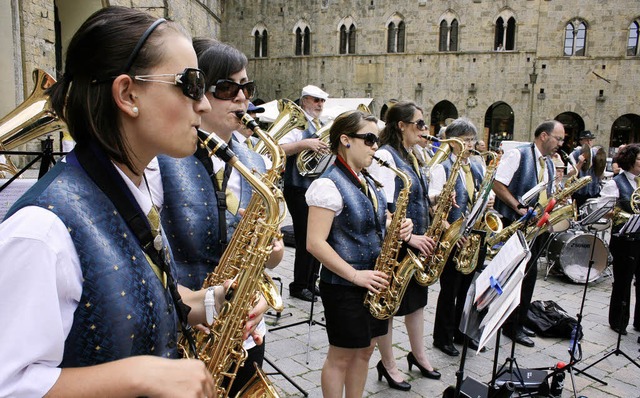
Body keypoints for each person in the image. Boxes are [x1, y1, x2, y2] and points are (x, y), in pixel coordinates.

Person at [0, 7, 230, 396]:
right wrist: (142, 375)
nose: (204, 104)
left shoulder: (132, 192)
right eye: (191, 84)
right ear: (127, 94)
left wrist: (216, 302)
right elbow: (10, 384)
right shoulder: (40, 232)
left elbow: (136, 303)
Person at [151, 38, 283, 397]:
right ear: (198, 95)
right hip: (187, 333)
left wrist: (270, 250)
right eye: (227, 88)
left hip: (245, 325)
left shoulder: (255, 162)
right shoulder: (161, 161)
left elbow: (272, 257)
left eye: (247, 88)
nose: (242, 98)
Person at [306, 110, 410, 398]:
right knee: (340, 355)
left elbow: (376, 220)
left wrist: (397, 226)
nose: (376, 146)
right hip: (344, 285)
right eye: (369, 139)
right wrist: (355, 275)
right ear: (345, 140)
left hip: (373, 282)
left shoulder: (368, 180)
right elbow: (315, 243)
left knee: (365, 350)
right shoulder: (327, 184)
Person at [367, 101, 439, 391]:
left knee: (416, 303)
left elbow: (412, 197)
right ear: (402, 125)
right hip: (395, 245)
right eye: (420, 123)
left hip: (416, 243)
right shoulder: (385, 156)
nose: (425, 129)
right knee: (390, 306)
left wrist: (433, 206)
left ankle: (418, 355)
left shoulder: (412, 155)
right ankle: (388, 363)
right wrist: (409, 238)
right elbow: (381, 209)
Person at [493, 120, 562, 347]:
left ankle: (518, 322)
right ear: (544, 136)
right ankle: (509, 325)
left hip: (537, 226)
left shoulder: (549, 164)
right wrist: (518, 207)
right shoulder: (518, 155)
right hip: (516, 222)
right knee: (515, 276)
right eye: (558, 138)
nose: (560, 144)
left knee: (529, 276)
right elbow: (498, 184)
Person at [429, 118, 487, 356]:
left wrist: (487, 202)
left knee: (469, 289)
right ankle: (442, 337)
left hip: (475, 235)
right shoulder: (440, 168)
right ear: (452, 142)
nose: (469, 144)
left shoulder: (476, 166)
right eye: (464, 140)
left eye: (472, 139)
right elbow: (433, 206)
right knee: (450, 289)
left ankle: (462, 332)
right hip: (453, 236)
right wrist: (451, 231)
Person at [279, 84, 330, 302]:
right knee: (304, 238)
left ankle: (311, 281)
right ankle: (299, 285)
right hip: (297, 186)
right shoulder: (296, 126)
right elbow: (279, 149)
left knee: (318, 236)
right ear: (304, 101)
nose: (319, 104)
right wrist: (305, 144)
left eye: (322, 101)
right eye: (315, 100)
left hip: (314, 186)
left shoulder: (319, 125)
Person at [599, 144, 640, 335]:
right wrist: (622, 214)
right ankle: (618, 321)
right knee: (623, 281)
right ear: (630, 160)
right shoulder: (615, 183)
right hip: (624, 238)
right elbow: (603, 209)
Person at [568, 130, 603, 207]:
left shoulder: (598, 154)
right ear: (581, 141)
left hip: (594, 191)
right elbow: (570, 174)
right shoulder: (574, 154)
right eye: (586, 140)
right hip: (579, 192)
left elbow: (601, 176)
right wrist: (580, 163)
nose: (589, 142)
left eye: (590, 140)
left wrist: (601, 165)